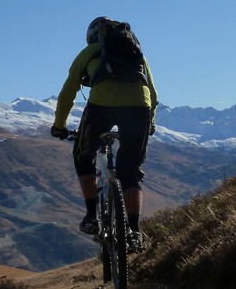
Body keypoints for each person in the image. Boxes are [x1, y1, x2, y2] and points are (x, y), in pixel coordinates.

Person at [50, 17, 158, 251]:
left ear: (92, 37)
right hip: (140, 108)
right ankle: (134, 231)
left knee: (83, 155)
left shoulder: (89, 52)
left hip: (101, 107)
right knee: (130, 172)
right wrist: (150, 123)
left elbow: (68, 92)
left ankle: (91, 216)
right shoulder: (138, 53)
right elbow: (154, 93)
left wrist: (59, 125)